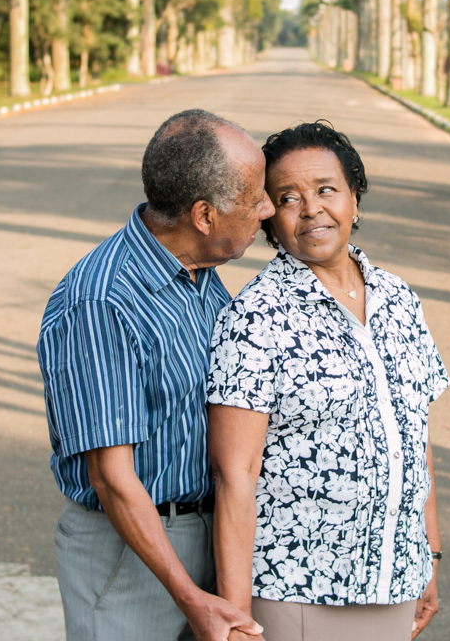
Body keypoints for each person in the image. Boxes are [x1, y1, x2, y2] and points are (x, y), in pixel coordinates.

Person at [37, 109, 274, 641]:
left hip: (210, 533)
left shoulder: (200, 274)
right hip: (133, 553)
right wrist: (190, 596)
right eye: (255, 196)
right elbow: (112, 478)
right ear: (204, 216)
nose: (267, 208)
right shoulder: (102, 302)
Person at [207, 121, 448, 641]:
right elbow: (236, 474)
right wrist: (235, 614)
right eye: (288, 198)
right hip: (299, 590)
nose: (311, 208)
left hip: (394, 578)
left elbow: (414, 434)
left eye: (326, 190)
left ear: (354, 199)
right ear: (270, 219)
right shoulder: (256, 317)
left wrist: (428, 552)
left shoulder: (398, 299)